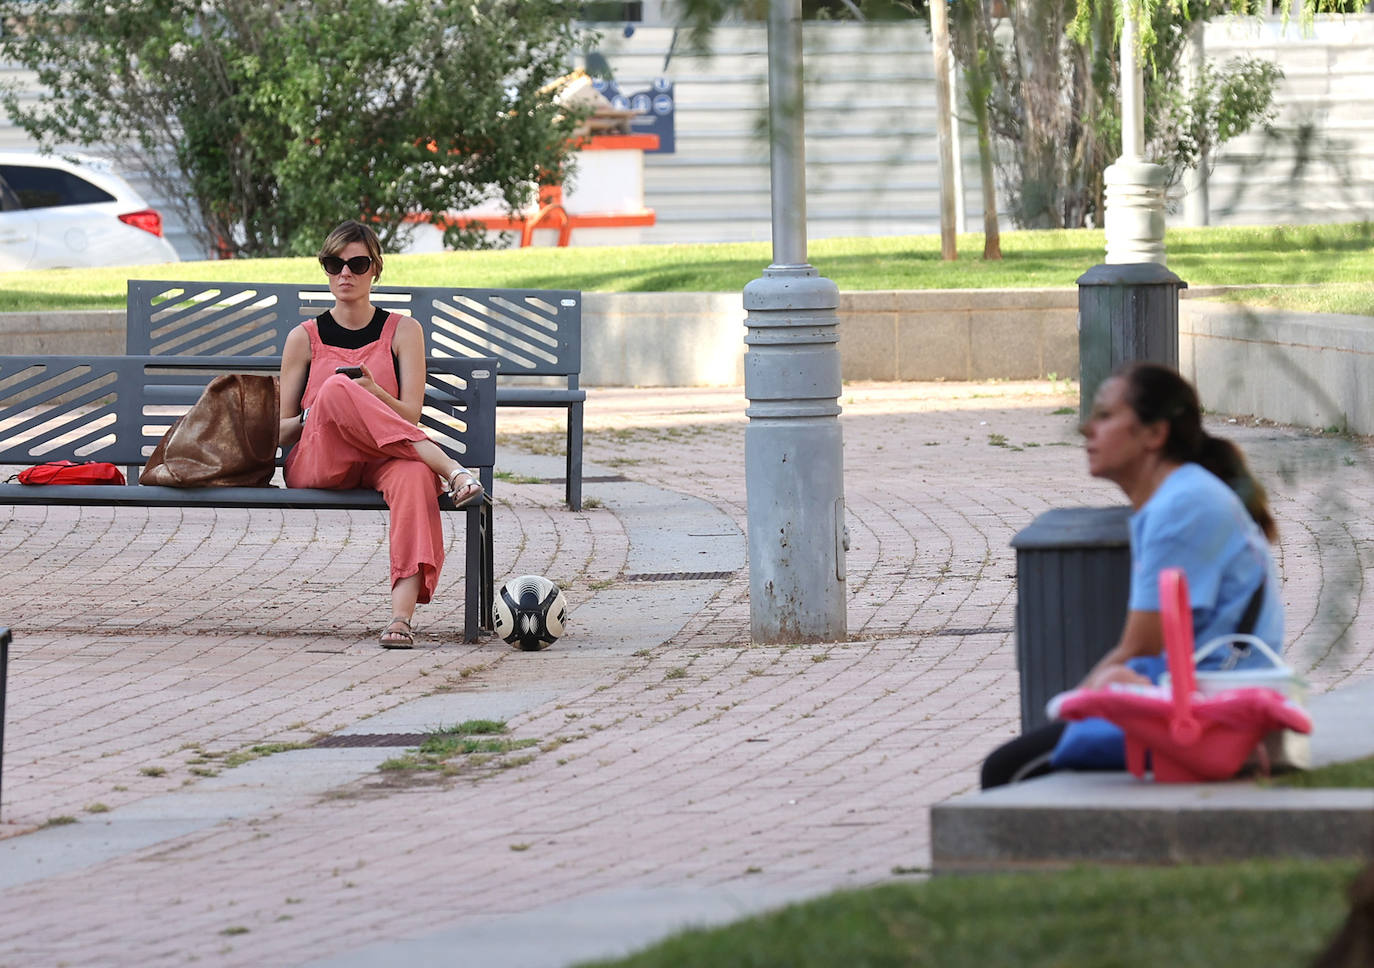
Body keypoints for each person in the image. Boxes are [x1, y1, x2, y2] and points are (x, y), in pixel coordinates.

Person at [981, 362, 1283, 787]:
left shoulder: (1180, 506)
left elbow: (1139, 645)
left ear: (1154, 435)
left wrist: (1075, 706)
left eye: (1105, 415)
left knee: (1009, 770)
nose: (1086, 429)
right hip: (1203, 696)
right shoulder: (1176, 496)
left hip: (1212, 712)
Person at [278, 219, 484, 648]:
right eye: (334, 264)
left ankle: (400, 618)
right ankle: (451, 468)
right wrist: (319, 412)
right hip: (320, 460)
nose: (345, 274)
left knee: (413, 478)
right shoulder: (304, 338)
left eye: (357, 263)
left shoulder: (404, 332)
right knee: (336, 387)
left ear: (376, 269)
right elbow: (279, 433)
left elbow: (409, 413)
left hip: (382, 456)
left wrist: (372, 393)